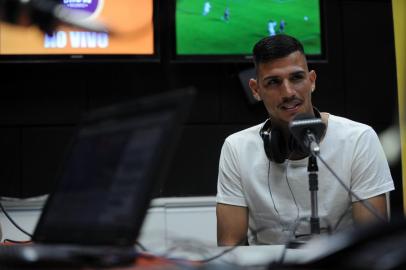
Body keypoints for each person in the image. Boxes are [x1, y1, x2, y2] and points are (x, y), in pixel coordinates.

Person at [216, 34, 395, 246]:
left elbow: (372, 243)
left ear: (311, 81)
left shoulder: (359, 139)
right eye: (273, 82)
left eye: (296, 78)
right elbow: (230, 247)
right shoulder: (236, 148)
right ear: (256, 90)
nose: (288, 92)